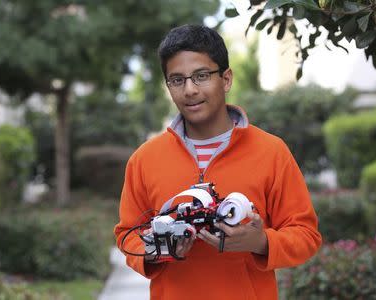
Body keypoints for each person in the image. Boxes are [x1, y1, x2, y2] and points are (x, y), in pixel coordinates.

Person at [114, 24, 322, 300]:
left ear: (225, 79)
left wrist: (260, 241)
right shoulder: (144, 159)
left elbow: (306, 236)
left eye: (201, 76)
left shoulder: (271, 151)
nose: (189, 89)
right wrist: (158, 248)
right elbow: (127, 234)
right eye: (177, 80)